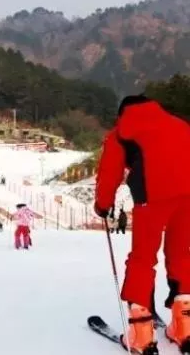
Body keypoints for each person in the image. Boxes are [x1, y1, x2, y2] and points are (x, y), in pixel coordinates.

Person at [94, 95, 190, 354]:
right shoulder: (179, 124)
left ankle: (142, 333)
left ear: (122, 113)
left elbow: (109, 172)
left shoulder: (121, 132)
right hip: (188, 194)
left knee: (142, 259)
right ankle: (184, 326)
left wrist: (102, 205)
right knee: (181, 254)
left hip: (152, 198)